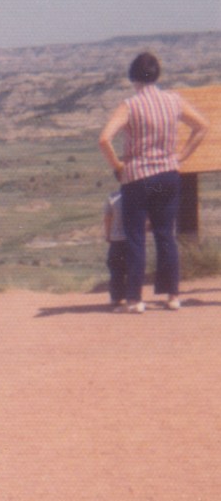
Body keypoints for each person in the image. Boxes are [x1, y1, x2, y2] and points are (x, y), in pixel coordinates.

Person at [98, 52, 209, 312]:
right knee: (165, 235)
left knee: (136, 238)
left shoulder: (130, 105)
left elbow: (104, 139)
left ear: (133, 76)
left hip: (138, 179)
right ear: (157, 74)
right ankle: (172, 295)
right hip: (167, 177)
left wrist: (118, 166)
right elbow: (202, 126)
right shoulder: (173, 101)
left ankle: (135, 299)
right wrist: (181, 156)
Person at [103, 188, 128, 308]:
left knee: (116, 269)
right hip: (132, 239)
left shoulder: (113, 196)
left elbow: (107, 217)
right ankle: (133, 295)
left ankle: (116, 297)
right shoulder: (138, 193)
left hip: (116, 239)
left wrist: (107, 234)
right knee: (132, 268)